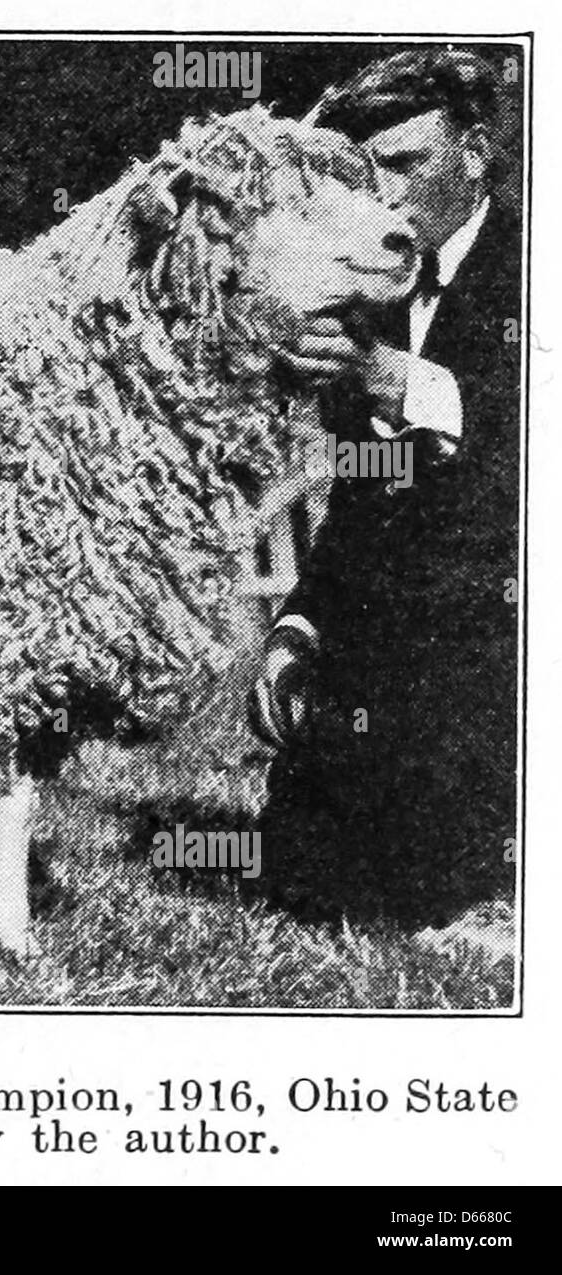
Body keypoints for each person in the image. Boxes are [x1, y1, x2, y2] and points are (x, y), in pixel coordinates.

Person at [247, 49, 521, 935]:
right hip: (395, 656)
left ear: (474, 154)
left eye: (406, 165)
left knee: (422, 885)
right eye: (369, 176)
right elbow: (363, 503)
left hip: (508, 651)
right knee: (296, 877)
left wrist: (401, 384)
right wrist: (297, 624)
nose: (386, 198)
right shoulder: (377, 291)